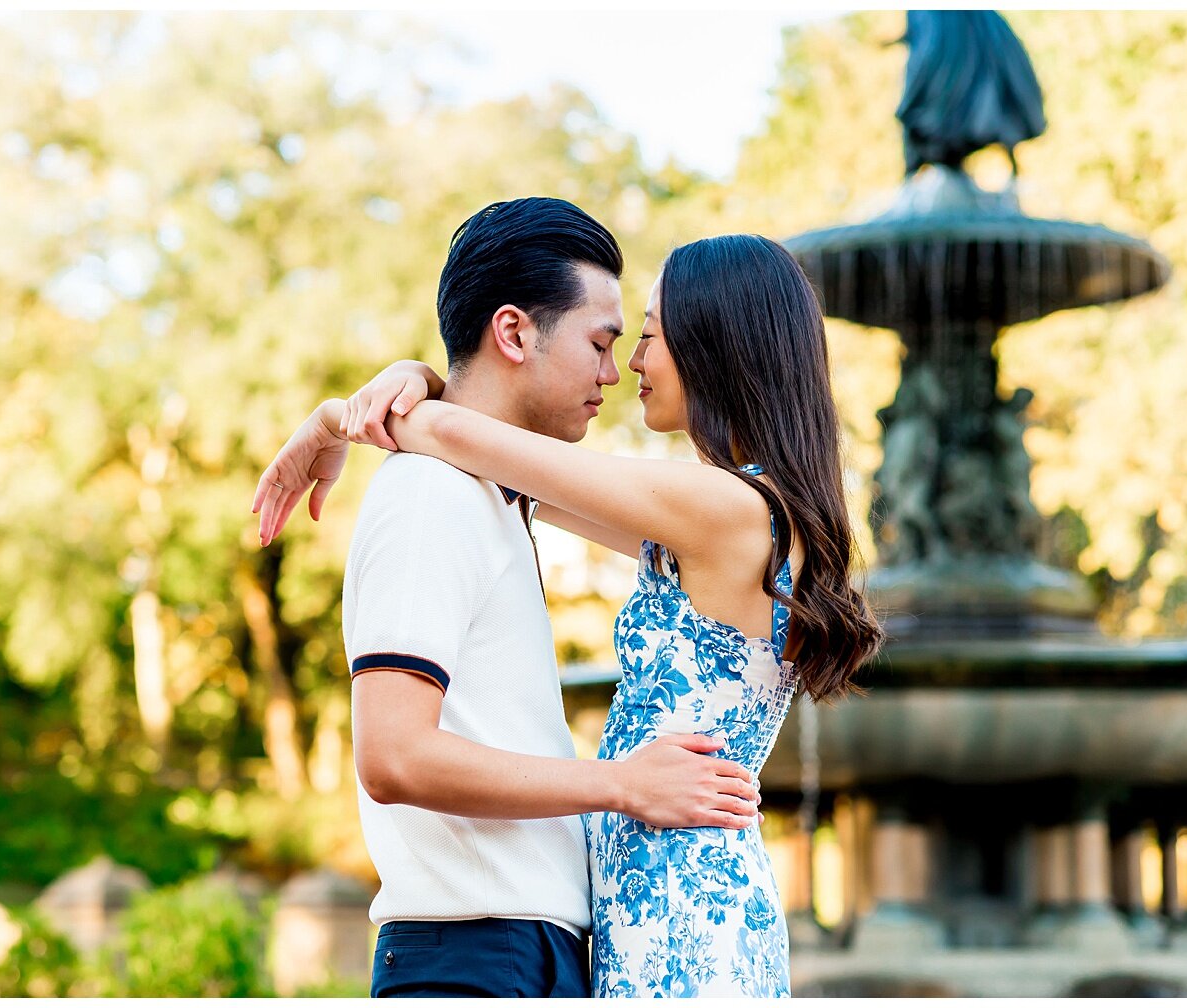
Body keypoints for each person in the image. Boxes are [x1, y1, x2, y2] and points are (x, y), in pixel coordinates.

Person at [259, 228, 883, 996]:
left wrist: (342, 417)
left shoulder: (724, 507)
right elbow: (499, 463)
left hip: (681, 904)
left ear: (716, 345)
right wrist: (405, 384)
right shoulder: (733, 515)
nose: (631, 366)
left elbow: (456, 432)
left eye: (647, 338)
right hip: (661, 888)